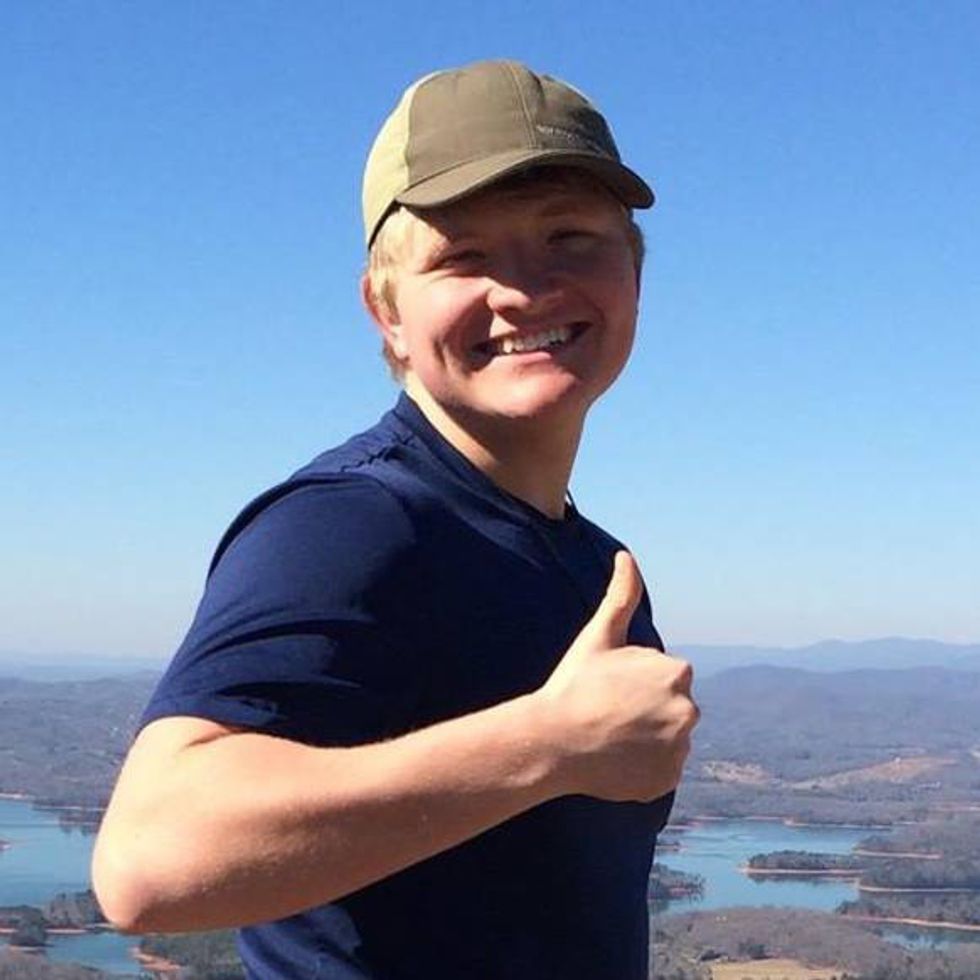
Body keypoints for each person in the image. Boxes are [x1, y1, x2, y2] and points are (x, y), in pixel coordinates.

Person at [92, 59, 699, 979]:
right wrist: (552, 742)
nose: (525, 288)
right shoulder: (354, 522)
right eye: (463, 255)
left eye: (571, 237)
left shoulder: (589, 561)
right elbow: (149, 865)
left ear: (635, 274)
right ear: (386, 311)